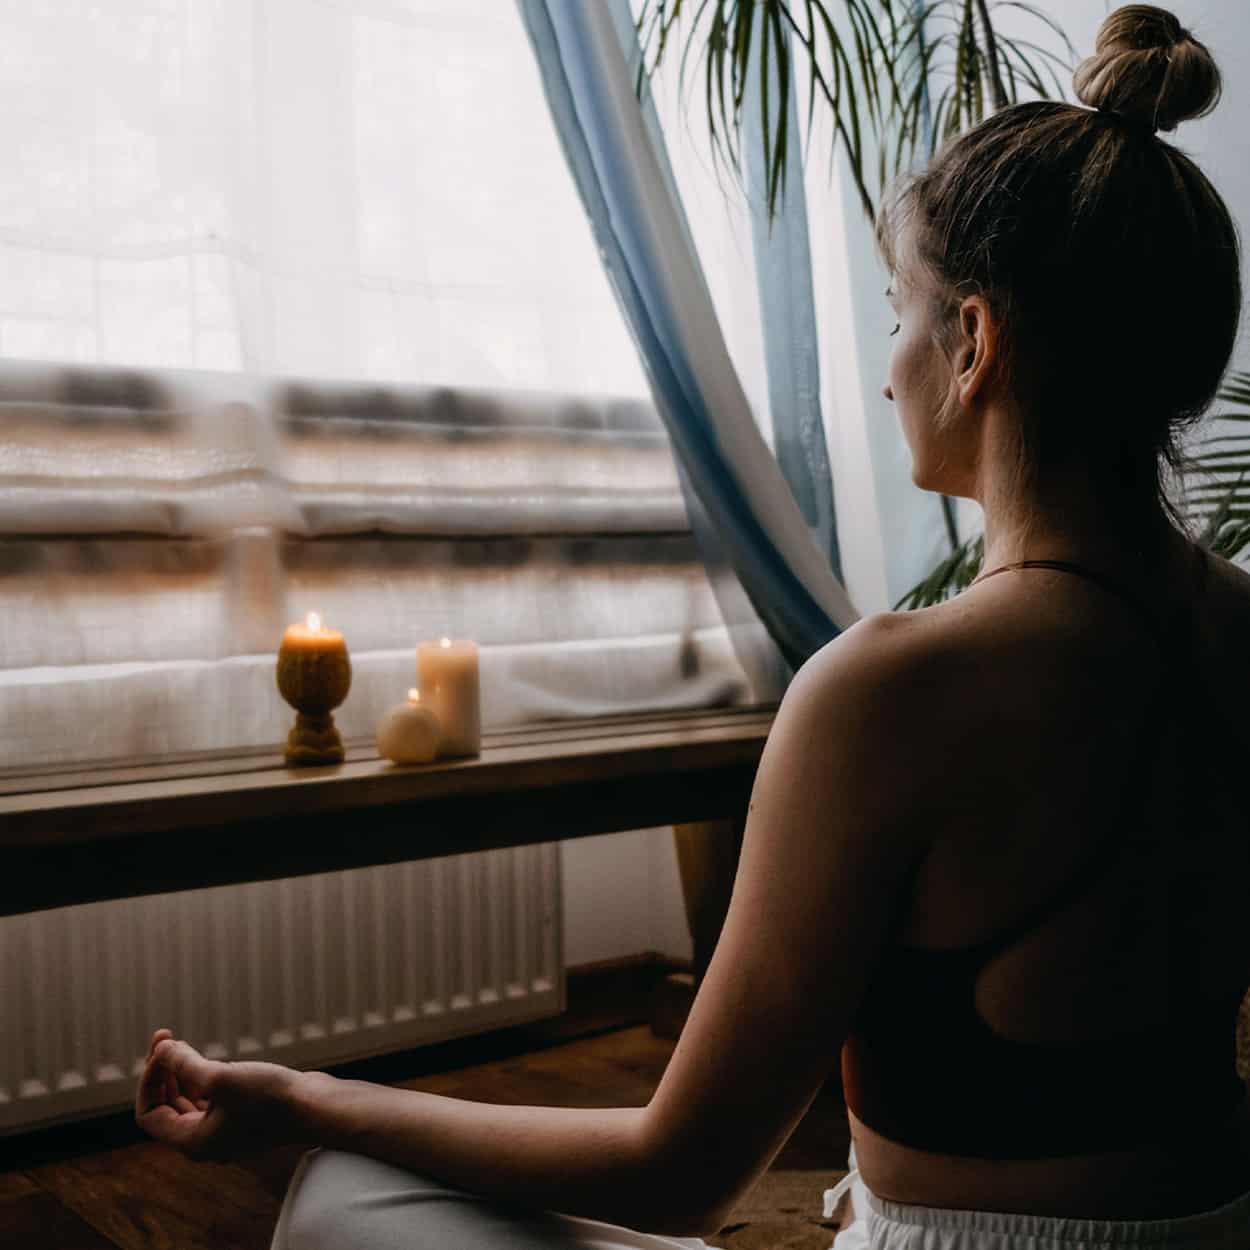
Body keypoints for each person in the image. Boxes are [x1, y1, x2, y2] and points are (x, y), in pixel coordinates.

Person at [135, 5, 1250, 1247]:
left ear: (973, 340)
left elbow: (679, 1171)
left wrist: (304, 1095)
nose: (887, 368)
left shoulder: (895, 689)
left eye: (899, 310)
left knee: (347, 1191)